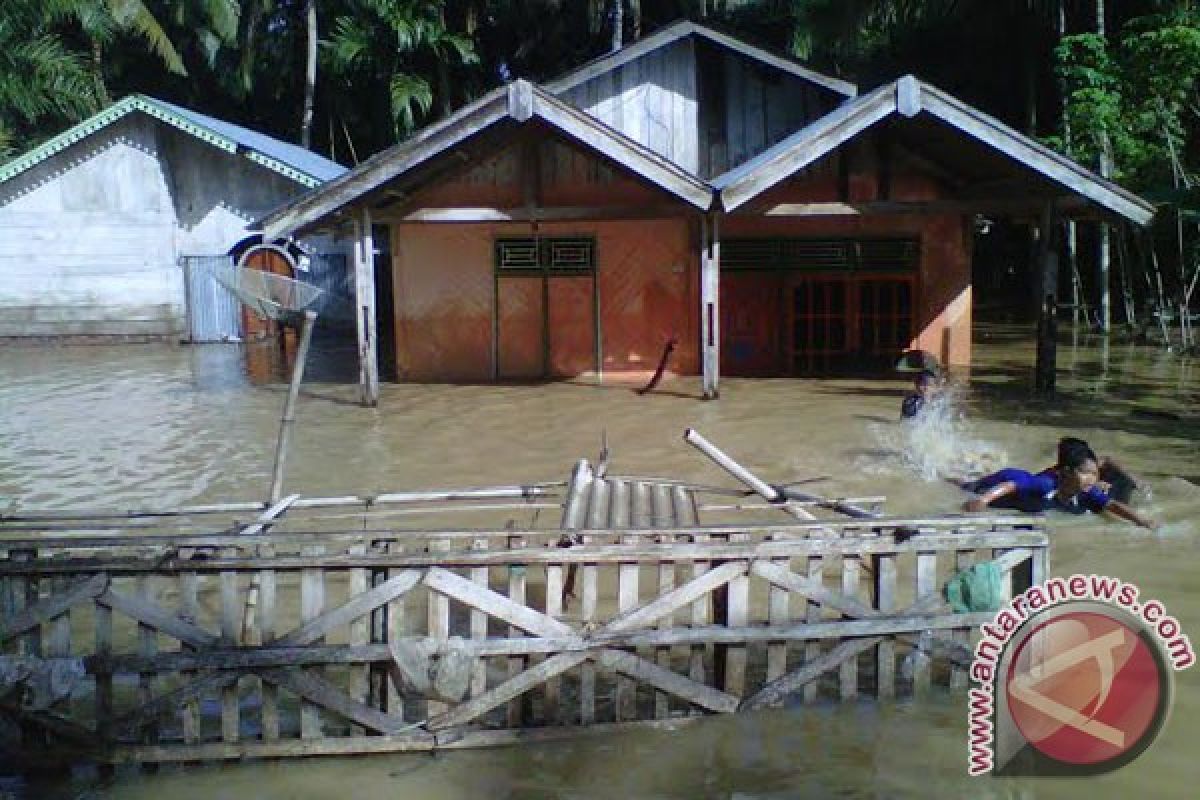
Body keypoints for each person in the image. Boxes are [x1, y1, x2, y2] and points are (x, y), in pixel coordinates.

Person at [962, 438, 1156, 529]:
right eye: (1086, 474)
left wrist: (1141, 521)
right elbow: (1011, 485)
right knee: (964, 485)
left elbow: (1112, 505)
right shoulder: (1045, 484)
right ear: (1066, 473)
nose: (1092, 479)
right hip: (1002, 481)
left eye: (1095, 475)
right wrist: (983, 501)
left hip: (1019, 488)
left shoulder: (1086, 491)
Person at [1048, 436, 1140, 504]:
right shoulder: (1049, 477)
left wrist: (1133, 478)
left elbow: (1106, 460)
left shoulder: (1086, 464)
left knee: (1124, 481)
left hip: (1110, 485)